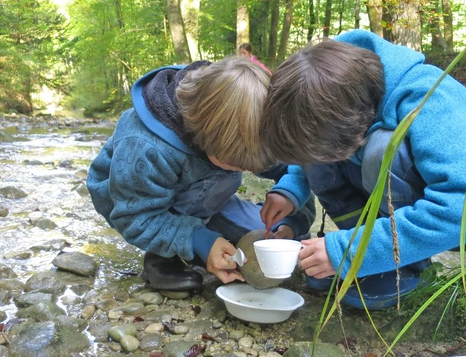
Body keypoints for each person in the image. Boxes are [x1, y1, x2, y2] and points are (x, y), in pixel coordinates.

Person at [259, 30, 466, 310]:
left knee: (383, 150)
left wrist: (349, 252)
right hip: (414, 193)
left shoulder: (432, 99)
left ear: (352, 124)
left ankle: (402, 264)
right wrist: (291, 189)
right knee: (329, 160)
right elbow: (313, 148)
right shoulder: (335, 89)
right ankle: (375, 256)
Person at [86, 57, 315, 291]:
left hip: (207, 192)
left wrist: (289, 197)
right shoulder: (146, 147)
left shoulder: (251, 125)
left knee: (272, 245)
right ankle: (162, 257)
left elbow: (298, 166)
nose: (246, 171)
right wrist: (200, 240)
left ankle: (200, 233)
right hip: (135, 201)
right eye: (237, 164)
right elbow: (135, 218)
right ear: (203, 135)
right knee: (202, 240)